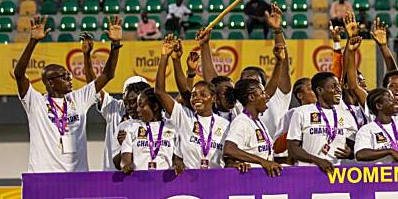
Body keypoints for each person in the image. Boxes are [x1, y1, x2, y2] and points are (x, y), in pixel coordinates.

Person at [14, 16, 121, 173]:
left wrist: (116, 45)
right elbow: (18, 74)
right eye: (64, 77)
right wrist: (33, 42)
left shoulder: (78, 99)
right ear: (50, 83)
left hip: (77, 176)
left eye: (69, 75)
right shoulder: (35, 102)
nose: (69, 79)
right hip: (44, 176)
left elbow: (107, 75)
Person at [154, 36, 231, 170]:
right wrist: (166, 57)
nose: (196, 98)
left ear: (213, 98)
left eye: (203, 95)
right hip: (190, 184)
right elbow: (160, 92)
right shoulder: (184, 117)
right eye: (194, 95)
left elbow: (229, 159)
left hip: (216, 183)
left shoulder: (225, 125)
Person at [286, 71, 357, 172]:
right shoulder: (302, 112)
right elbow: (292, 149)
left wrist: (350, 154)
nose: (338, 90)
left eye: (338, 87)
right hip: (308, 173)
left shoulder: (345, 115)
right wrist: (318, 161)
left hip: (336, 174)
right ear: (319, 90)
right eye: (333, 86)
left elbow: (357, 148)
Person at [221, 78, 281, 176]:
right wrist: (263, 162)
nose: (267, 96)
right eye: (262, 93)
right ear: (252, 97)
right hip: (249, 181)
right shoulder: (241, 121)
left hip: (262, 179)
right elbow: (229, 149)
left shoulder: (258, 122)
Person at [119, 88, 182, 174]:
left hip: (164, 181)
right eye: (137, 106)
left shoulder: (172, 127)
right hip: (139, 180)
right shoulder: (131, 127)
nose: (137, 110)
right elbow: (125, 159)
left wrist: (178, 165)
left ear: (155, 107)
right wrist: (125, 166)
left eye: (141, 106)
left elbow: (177, 159)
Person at [97, 74, 150, 171]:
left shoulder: (156, 118)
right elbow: (95, 88)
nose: (130, 106)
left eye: (135, 100)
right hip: (111, 175)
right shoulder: (115, 108)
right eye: (127, 101)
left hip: (142, 176)